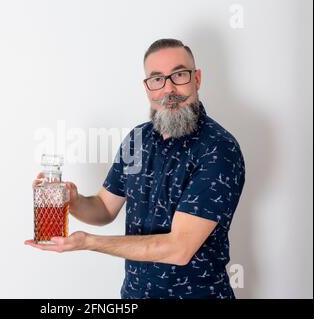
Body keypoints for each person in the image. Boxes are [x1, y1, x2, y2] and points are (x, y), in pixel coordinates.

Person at [25, 38, 245, 299]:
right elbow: (105, 208)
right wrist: (72, 201)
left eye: (179, 75)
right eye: (157, 79)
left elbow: (179, 248)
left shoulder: (218, 148)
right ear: (147, 88)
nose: (168, 88)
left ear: (196, 79)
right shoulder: (136, 139)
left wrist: (89, 242)